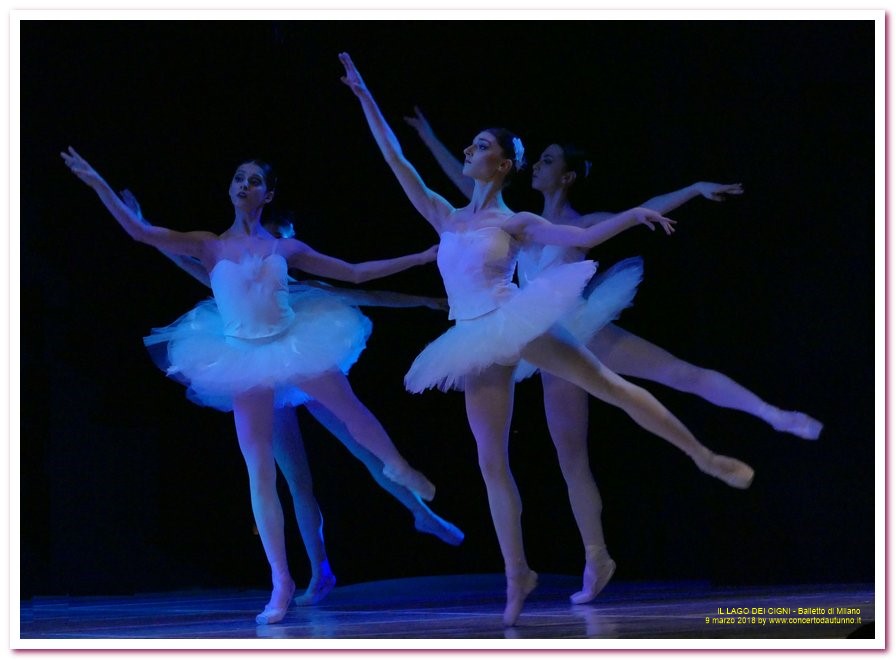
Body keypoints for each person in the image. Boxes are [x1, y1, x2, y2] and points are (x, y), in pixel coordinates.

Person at [338, 53, 754, 627]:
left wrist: (634, 214)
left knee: (609, 386)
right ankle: (518, 574)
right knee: (490, 461)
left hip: (516, 319)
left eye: (481, 145)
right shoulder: (445, 216)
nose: (469, 150)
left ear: (505, 164)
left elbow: (581, 233)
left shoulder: (515, 223)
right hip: (470, 336)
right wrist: (365, 98)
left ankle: (703, 455)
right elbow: (396, 158)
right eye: (471, 144)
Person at [403, 111, 824, 602]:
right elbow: (460, 182)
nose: (539, 164)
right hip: (520, 332)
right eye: (535, 159)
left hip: (567, 322)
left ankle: (761, 420)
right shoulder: (505, 218)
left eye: (549, 160)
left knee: (662, 377)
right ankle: (596, 557)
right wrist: (430, 135)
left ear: (566, 175)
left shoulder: (558, 222)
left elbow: (638, 209)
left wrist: (691, 189)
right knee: (570, 458)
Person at [62, 148, 440, 624]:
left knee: (351, 410)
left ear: (268, 194)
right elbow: (142, 233)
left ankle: (400, 468)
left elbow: (357, 272)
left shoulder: (287, 249)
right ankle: (281, 581)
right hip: (240, 357)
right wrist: (98, 182)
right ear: (230, 188)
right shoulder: (207, 245)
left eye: (254, 180)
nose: (244, 185)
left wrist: (423, 255)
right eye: (238, 177)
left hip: (295, 344)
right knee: (260, 471)